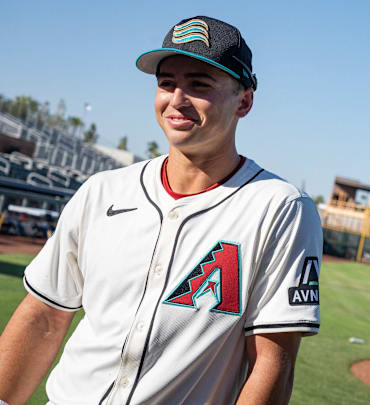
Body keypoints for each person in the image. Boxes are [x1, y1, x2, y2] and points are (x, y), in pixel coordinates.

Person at [0, 16, 322, 405]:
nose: (177, 99)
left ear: (245, 100)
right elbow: (44, 318)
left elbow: (271, 363)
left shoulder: (279, 208)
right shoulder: (102, 191)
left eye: (199, 84)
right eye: (166, 83)